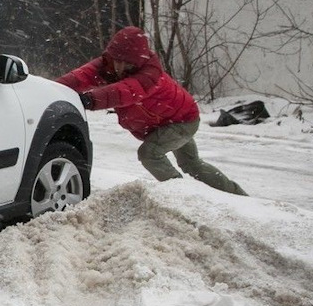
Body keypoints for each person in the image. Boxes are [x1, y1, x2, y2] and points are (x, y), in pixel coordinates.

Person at [57, 26, 247, 196]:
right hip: (168, 120)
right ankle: (237, 195)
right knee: (192, 164)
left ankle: (182, 196)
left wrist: (90, 99)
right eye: (117, 61)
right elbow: (80, 76)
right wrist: (51, 88)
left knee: (150, 154)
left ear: (138, 62)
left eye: (127, 64)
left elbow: (124, 91)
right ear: (111, 56)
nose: (121, 68)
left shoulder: (149, 76)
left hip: (183, 122)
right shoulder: (108, 66)